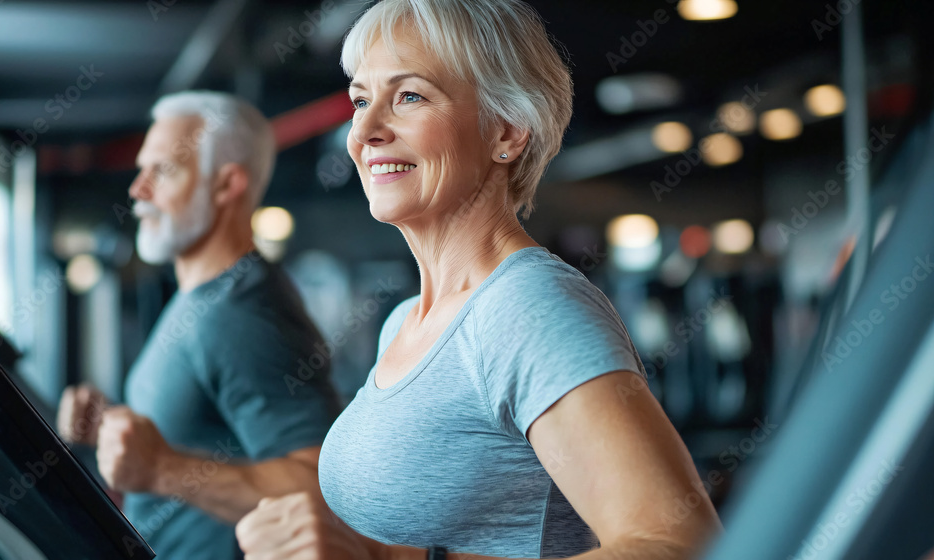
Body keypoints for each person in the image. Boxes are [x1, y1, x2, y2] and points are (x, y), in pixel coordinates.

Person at [234, 1, 723, 559]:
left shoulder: (526, 309)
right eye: (361, 101)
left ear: (506, 130)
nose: (364, 131)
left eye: (409, 96)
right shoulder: (403, 322)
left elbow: (680, 544)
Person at [57, 91, 341, 560]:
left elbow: (321, 491)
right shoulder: (201, 296)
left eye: (163, 171)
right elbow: (207, 432)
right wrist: (109, 428)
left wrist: (162, 468)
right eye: (141, 170)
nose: (138, 191)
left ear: (227, 185)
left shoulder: (242, 313)